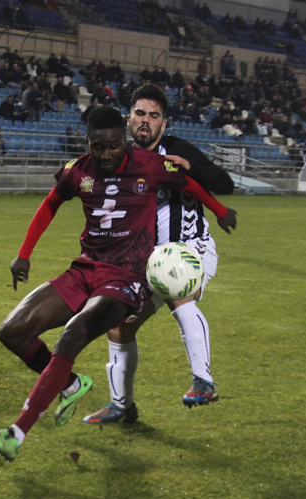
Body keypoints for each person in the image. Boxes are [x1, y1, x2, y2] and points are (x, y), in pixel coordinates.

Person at [0, 107, 230, 461]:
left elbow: (190, 183)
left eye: (113, 146)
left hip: (126, 278)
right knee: (11, 332)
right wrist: (24, 254)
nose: (106, 154)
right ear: (88, 143)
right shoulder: (77, 171)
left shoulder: (148, 165)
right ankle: (70, 384)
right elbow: (50, 203)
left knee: (72, 336)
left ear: (124, 141)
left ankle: (17, 432)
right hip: (84, 270)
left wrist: (220, 212)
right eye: (97, 147)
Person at [83, 84, 237, 425]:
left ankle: (204, 382)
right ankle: (122, 406)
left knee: (174, 284)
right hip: (145, 258)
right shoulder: (119, 156)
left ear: (163, 125)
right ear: (129, 119)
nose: (146, 121)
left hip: (189, 247)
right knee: (119, 327)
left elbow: (224, 183)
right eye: (140, 113)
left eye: (154, 116)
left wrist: (190, 166)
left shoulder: (178, 149)